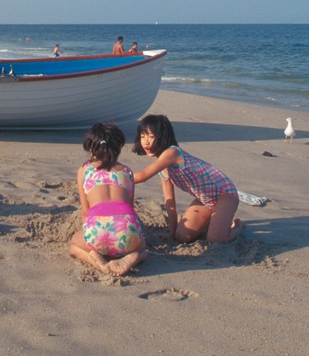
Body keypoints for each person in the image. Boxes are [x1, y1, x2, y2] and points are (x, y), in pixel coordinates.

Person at [132, 114, 241, 244]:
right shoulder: (162, 166)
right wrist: (172, 232)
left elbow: (142, 176)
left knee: (215, 239)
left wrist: (113, 176)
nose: (146, 142)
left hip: (225, 193)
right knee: (182, 236)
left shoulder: (172, 153)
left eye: (151, 136)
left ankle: (236, 227)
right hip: (205, 199)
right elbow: (169, 201)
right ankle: (215, 220)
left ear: (162, 137)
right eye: (143, 136)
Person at [69, 122, 147, 277]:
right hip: (127, 232)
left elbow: (85, 212)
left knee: (73, 246)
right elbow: (130, 209)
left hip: (98, 233)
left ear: (91, 148)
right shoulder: (127, 171)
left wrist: (89, 233)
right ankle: (135, 256)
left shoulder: (84, 170)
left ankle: (94, 259)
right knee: (143, 248)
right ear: (118, 148)